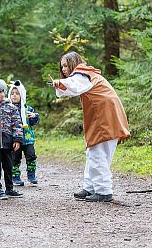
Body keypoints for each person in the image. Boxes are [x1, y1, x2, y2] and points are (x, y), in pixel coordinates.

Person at [53, 51, 130, 202]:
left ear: (73, 63)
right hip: (106, 117)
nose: (63, 69)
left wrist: (60, 83)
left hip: (104, 119)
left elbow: (74, 86)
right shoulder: (87, 75)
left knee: (97, 154)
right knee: (93, 152)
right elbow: (72, 88)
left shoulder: (82, 75)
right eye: (61, 67)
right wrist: (62, 85)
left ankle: (103, 191)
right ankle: (90, 187)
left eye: (65, 66)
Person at [8, 80, 40, 186]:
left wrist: (35, 116)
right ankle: (15, 176)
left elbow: (33, 122)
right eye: (12, 94)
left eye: (17, 94)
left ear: (22, 95)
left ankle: (31, 175)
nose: (14, 96)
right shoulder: (8, 109)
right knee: (15, 158)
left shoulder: (27, 109)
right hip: (14, 139)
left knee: (31, 156)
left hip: (27, 138)